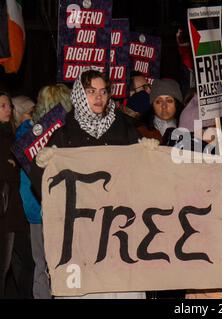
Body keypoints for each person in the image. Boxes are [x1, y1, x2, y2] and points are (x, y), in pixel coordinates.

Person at [32, 69, 143, 299]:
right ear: (80, 95)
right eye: (91, 92)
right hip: (81, 231)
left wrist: (149, 155)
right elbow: (41, 181)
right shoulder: (65, 135)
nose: (98, 97)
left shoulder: (124, 129)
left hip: (117, 227)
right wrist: (43, 166)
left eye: (103, 92)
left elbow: (142, 172)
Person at [15, 85, 72, 299]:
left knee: (44, 263)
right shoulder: (30, 133)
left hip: (40, 207)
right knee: (51, 262)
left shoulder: (27, 132)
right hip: (43, 207)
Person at [0, 92, 34, 299]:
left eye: (9, 106)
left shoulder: (10, 135)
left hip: (15, 212)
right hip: (5, 215)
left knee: (25, 265)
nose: (8, 109)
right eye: (2, 106)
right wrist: (11, 166)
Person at [148, 78, 184, 145]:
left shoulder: (189, 129)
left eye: (169, 101)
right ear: (152, 105)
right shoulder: (142, 132)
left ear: (177, 104)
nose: (164, 106)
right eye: (158, 101)